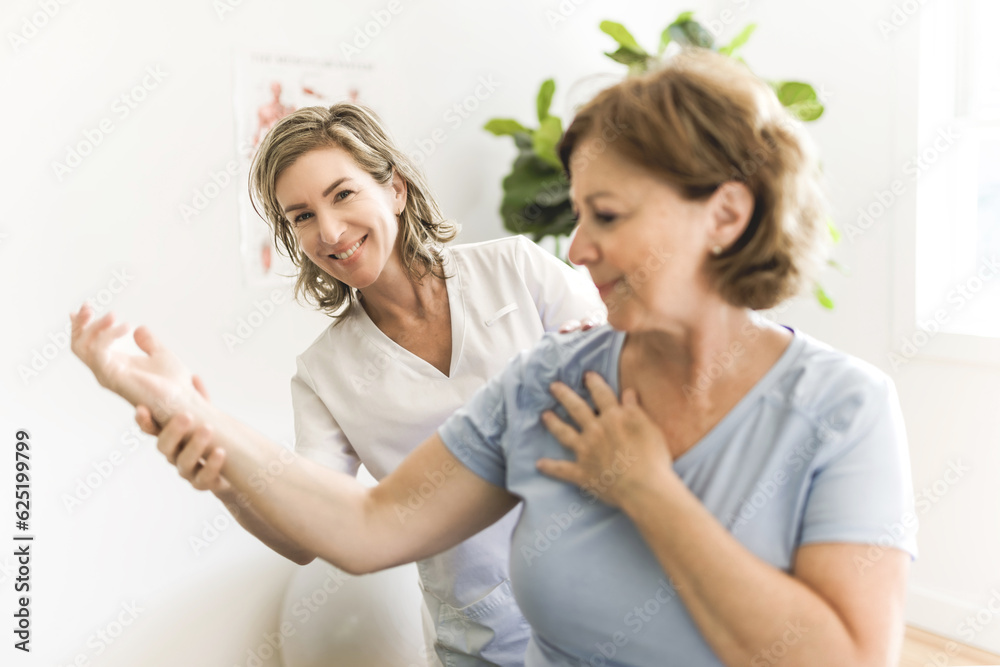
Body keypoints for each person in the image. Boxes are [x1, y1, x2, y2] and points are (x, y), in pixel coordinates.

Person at [71, 48, 917, 666]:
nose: (578, 248)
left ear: (725, 216)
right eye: (299, 217)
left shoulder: (843, 408)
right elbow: (361, 526)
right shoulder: (539, 384)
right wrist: (197, 418)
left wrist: (650, 491)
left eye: (609, 216)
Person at [142, 102, 605, 666]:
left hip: (602, 608)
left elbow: (626, 390)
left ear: (396, 190)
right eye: (301, 216)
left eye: (343, 195)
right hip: (484, 644)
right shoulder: (324, 371)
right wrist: (221, 473)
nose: (330, 232)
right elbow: (307, 534)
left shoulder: (518, 270)